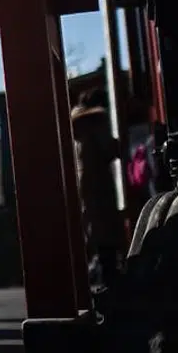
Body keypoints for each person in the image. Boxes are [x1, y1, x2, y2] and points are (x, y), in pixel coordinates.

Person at [71, 89, 125, 287]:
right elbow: (110, 149)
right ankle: (110, 281)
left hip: (85, 183)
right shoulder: (96, 121)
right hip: (101, 183)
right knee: (107, 232)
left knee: (95, 231)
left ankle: (101, 277)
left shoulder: (78, 126)